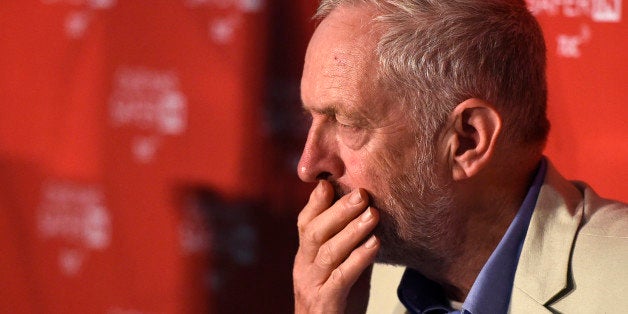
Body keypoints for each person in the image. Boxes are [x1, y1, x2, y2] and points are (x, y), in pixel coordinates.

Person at [292, 0, 628, 313]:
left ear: (468, 140)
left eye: (348, 123)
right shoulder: (394, 270)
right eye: (313, 118)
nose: (308, 165)